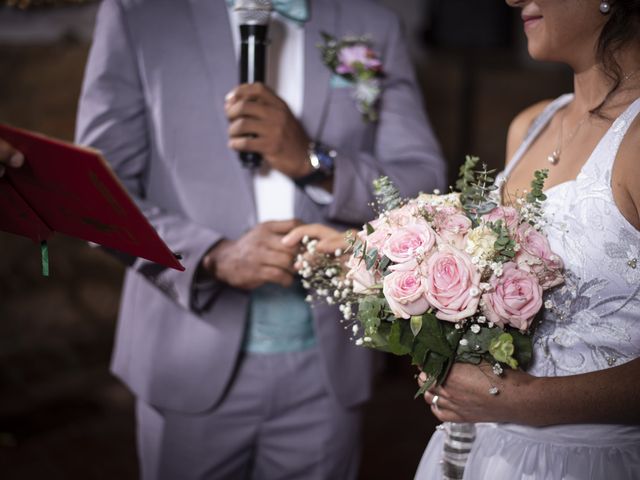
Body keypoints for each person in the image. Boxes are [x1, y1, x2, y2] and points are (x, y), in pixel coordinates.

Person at [75, 0, 445, 479]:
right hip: (186, 358)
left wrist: (313, 161)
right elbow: (96, 197)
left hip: (329, 365)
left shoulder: (371, 25)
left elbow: (423, 183)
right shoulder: (138, 14)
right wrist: (212, 256)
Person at [286, 1, 640, 478]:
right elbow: (489, 260)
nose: (514, 0)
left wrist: (522, 399)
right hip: (478, 449)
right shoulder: (532, 123)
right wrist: (372, 252)